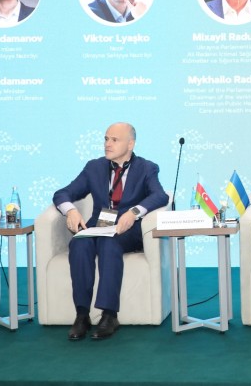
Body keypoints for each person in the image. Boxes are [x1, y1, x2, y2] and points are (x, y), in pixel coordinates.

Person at [53, 122, 168, 341]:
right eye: (106, 139)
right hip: (98, 226)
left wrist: (134, 212)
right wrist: (71, 211)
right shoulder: (94, 167)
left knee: (109, 243)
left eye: (114, 140)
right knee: (79, 243)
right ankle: (82, 314)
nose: (108, 144)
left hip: (127, 230)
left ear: (130, 144)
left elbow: (160, 196)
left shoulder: (146, 168)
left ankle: (109, 315)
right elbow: (63, 193)